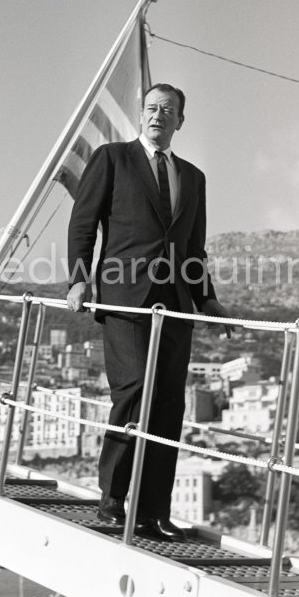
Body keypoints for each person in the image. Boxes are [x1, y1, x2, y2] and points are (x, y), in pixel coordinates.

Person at [67, 83, 230, 541]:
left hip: (176, 303)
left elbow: (193, 248)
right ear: (141, 116)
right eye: (152, 108)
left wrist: (207, 299)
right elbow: (83, 223)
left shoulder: (193, 177)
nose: (159, 115)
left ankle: (156, 509)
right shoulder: (112, 158)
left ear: (180, 121)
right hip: (124, 300)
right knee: (135, 389)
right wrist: (78, 279)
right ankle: (113, 499)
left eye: (169, 110)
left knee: (168, 406)